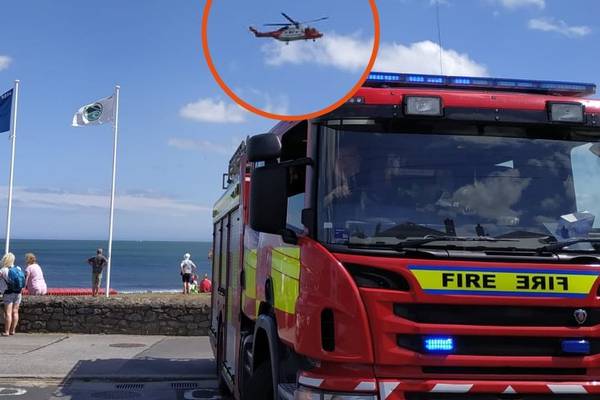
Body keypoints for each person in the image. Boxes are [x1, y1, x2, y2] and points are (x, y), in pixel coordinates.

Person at [0, 253, 25, 336]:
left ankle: (6, 331)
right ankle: (12, 330)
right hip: (18, 293)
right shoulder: (18, 268)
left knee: (8, 313)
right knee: (15, 312)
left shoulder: (3, 270)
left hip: (8, 293)